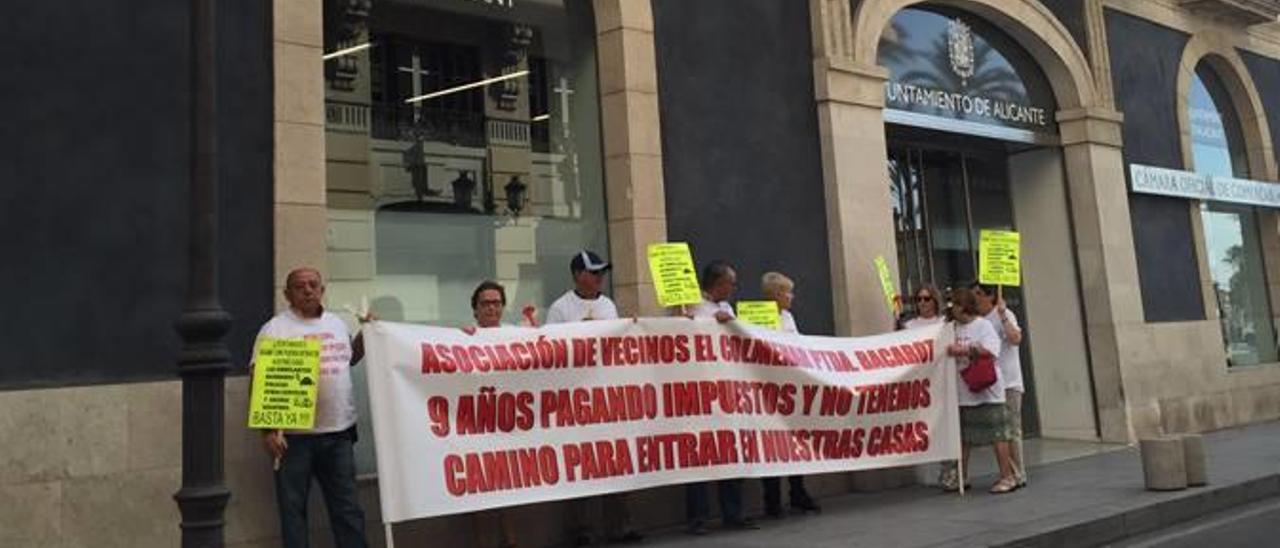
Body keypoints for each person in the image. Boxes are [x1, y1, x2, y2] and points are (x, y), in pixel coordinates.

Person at [255, 267, 368, 548]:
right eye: (299, 286)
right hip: (294, 439)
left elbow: (350, 358)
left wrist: (368, 333)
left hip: (339, 434)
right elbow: (260, 377)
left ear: (322, 290)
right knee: (293, 513)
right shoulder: (275, 329)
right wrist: (267, 429)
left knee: (348, 510)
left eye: (313, 285)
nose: (307, 290)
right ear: (287, 294)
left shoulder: (337, 324)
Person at [545, 251, 643, 546]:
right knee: (579, 465)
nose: (599, 277)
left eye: (601, 272)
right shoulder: (561, 308)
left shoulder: (608, 305)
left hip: (607, 396)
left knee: (615, 460)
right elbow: (551, 351)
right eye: (593, 272)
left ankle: (620, 526)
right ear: (577, 275)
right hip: (575, 397)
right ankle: (581, 530)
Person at [685, 260, 760, 535]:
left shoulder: (727, 309)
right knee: (700, 456)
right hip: (701, 391)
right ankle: (698, 518)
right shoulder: (693, 307)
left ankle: (733, 513)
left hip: (728, 391)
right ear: (717, 283)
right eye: (731, 282)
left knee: (731, 450)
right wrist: (708, 323)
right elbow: (685, 334)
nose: (734, 287)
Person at [463, 280, 521, 548]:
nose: (491, 308)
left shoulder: (514, 335)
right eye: (485, 303)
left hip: (509, 423)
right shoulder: (464, 337)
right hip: (477, 424)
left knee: (509, 489)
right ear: (475, 309)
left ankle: (510, 541)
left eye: (497, 303)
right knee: (478, 491)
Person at [759, 272, 821, 518]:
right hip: (767, 389)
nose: (791, 297)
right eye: (787, 292)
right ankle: (771, 500)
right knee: (771, 444)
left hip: (789, 388)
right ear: (775, 295)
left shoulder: (788, 317)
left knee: (795, 441)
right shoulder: (757, 316)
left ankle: (797, 492)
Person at [946, 287, 1019, 494]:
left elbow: (991, 351)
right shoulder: (951, 328)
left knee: (997, 434)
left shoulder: (983, 326)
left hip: (988, 390)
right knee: (964, 437)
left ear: (963, 306)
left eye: (955, 305)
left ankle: (1007, 476)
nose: (952, 310)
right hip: (965, 390)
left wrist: (965, 350)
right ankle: (961, 476)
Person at [974, 283, 1027, 487]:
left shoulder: (1004, 314)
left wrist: (1003, 314)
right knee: (1000, 432)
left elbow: (1015, 338)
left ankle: (1018, 474)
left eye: (978, 294)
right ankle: (1011, 472)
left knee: (1012, 430)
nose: (975, 299)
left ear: (990, 297)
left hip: (1010, 382)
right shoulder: (979, 321)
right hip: (991, 384)